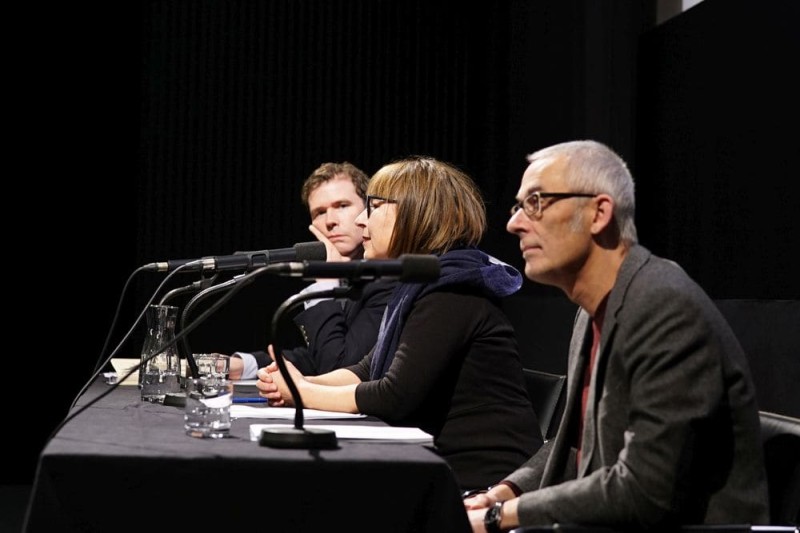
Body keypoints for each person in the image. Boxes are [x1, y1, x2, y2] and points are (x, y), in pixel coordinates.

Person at [464, 140, 770, 531]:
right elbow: (579, 448)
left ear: (599, 213)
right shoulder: (590, 311)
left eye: (536, 202)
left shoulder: (663, 307)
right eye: (519, 206)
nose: (514, 223)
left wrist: (497, 519)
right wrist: (503, 493)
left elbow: (644, 491)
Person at [257, 156, 544, 490]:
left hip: (481, 484)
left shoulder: (453, 289)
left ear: (417, 212)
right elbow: (366, 369)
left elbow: (393, 395)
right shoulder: (418, 285)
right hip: (436, 471)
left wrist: (302, 392)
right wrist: (302, 381)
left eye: (374, 207)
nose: (362, 222)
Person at [229, 162, 396, 379]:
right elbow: (319, 355)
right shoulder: (350, 277)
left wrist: (326, 281)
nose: (330, 221)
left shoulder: (388, 279)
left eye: (342, 205)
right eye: (319, 212)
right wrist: (243, 365)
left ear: (367, 209)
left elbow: (337, 367)